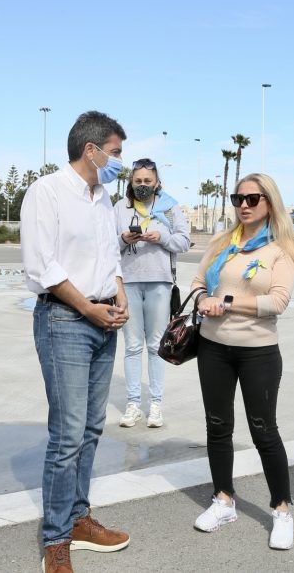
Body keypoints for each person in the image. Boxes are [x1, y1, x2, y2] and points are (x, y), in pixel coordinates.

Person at [21, 111, 132, 573]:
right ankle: (55, 540)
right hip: (65, 319)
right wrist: (87, 307)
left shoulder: (104, 196)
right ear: (92, 150)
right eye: (116, 152)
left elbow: (109, 257)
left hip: (103, 319)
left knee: (90, 428)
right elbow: (40, 265)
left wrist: (119, 294)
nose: (119, 162)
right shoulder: (45, 192)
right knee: (66, 436)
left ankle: (79, 517)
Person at [187, 173, 294, 550]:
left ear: (269, 202)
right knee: (218, 426)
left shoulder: (280, 250)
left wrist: (230, 303)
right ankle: (223, 500)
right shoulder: (223, 243)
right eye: (238, 199)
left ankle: (282, 509)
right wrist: (204, 298)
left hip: (258, 352)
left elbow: (278, 302)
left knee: (263, 430)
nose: (244, 206)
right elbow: (198, 281)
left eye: (253, 199)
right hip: (213, 347)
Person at [114, 158, 191, 429]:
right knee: (132, 346)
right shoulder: (119, 209)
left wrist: (163, 238)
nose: (143, 185)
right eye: (138, 181)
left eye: (148, 181)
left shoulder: (169, 208)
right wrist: (124, 239)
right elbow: (108, 246)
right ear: (131, 182)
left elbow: (184, 241)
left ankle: (155, 404)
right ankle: (134, 404)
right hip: (129, 283)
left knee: (156, 345)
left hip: (159, 282)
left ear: (157, 182)